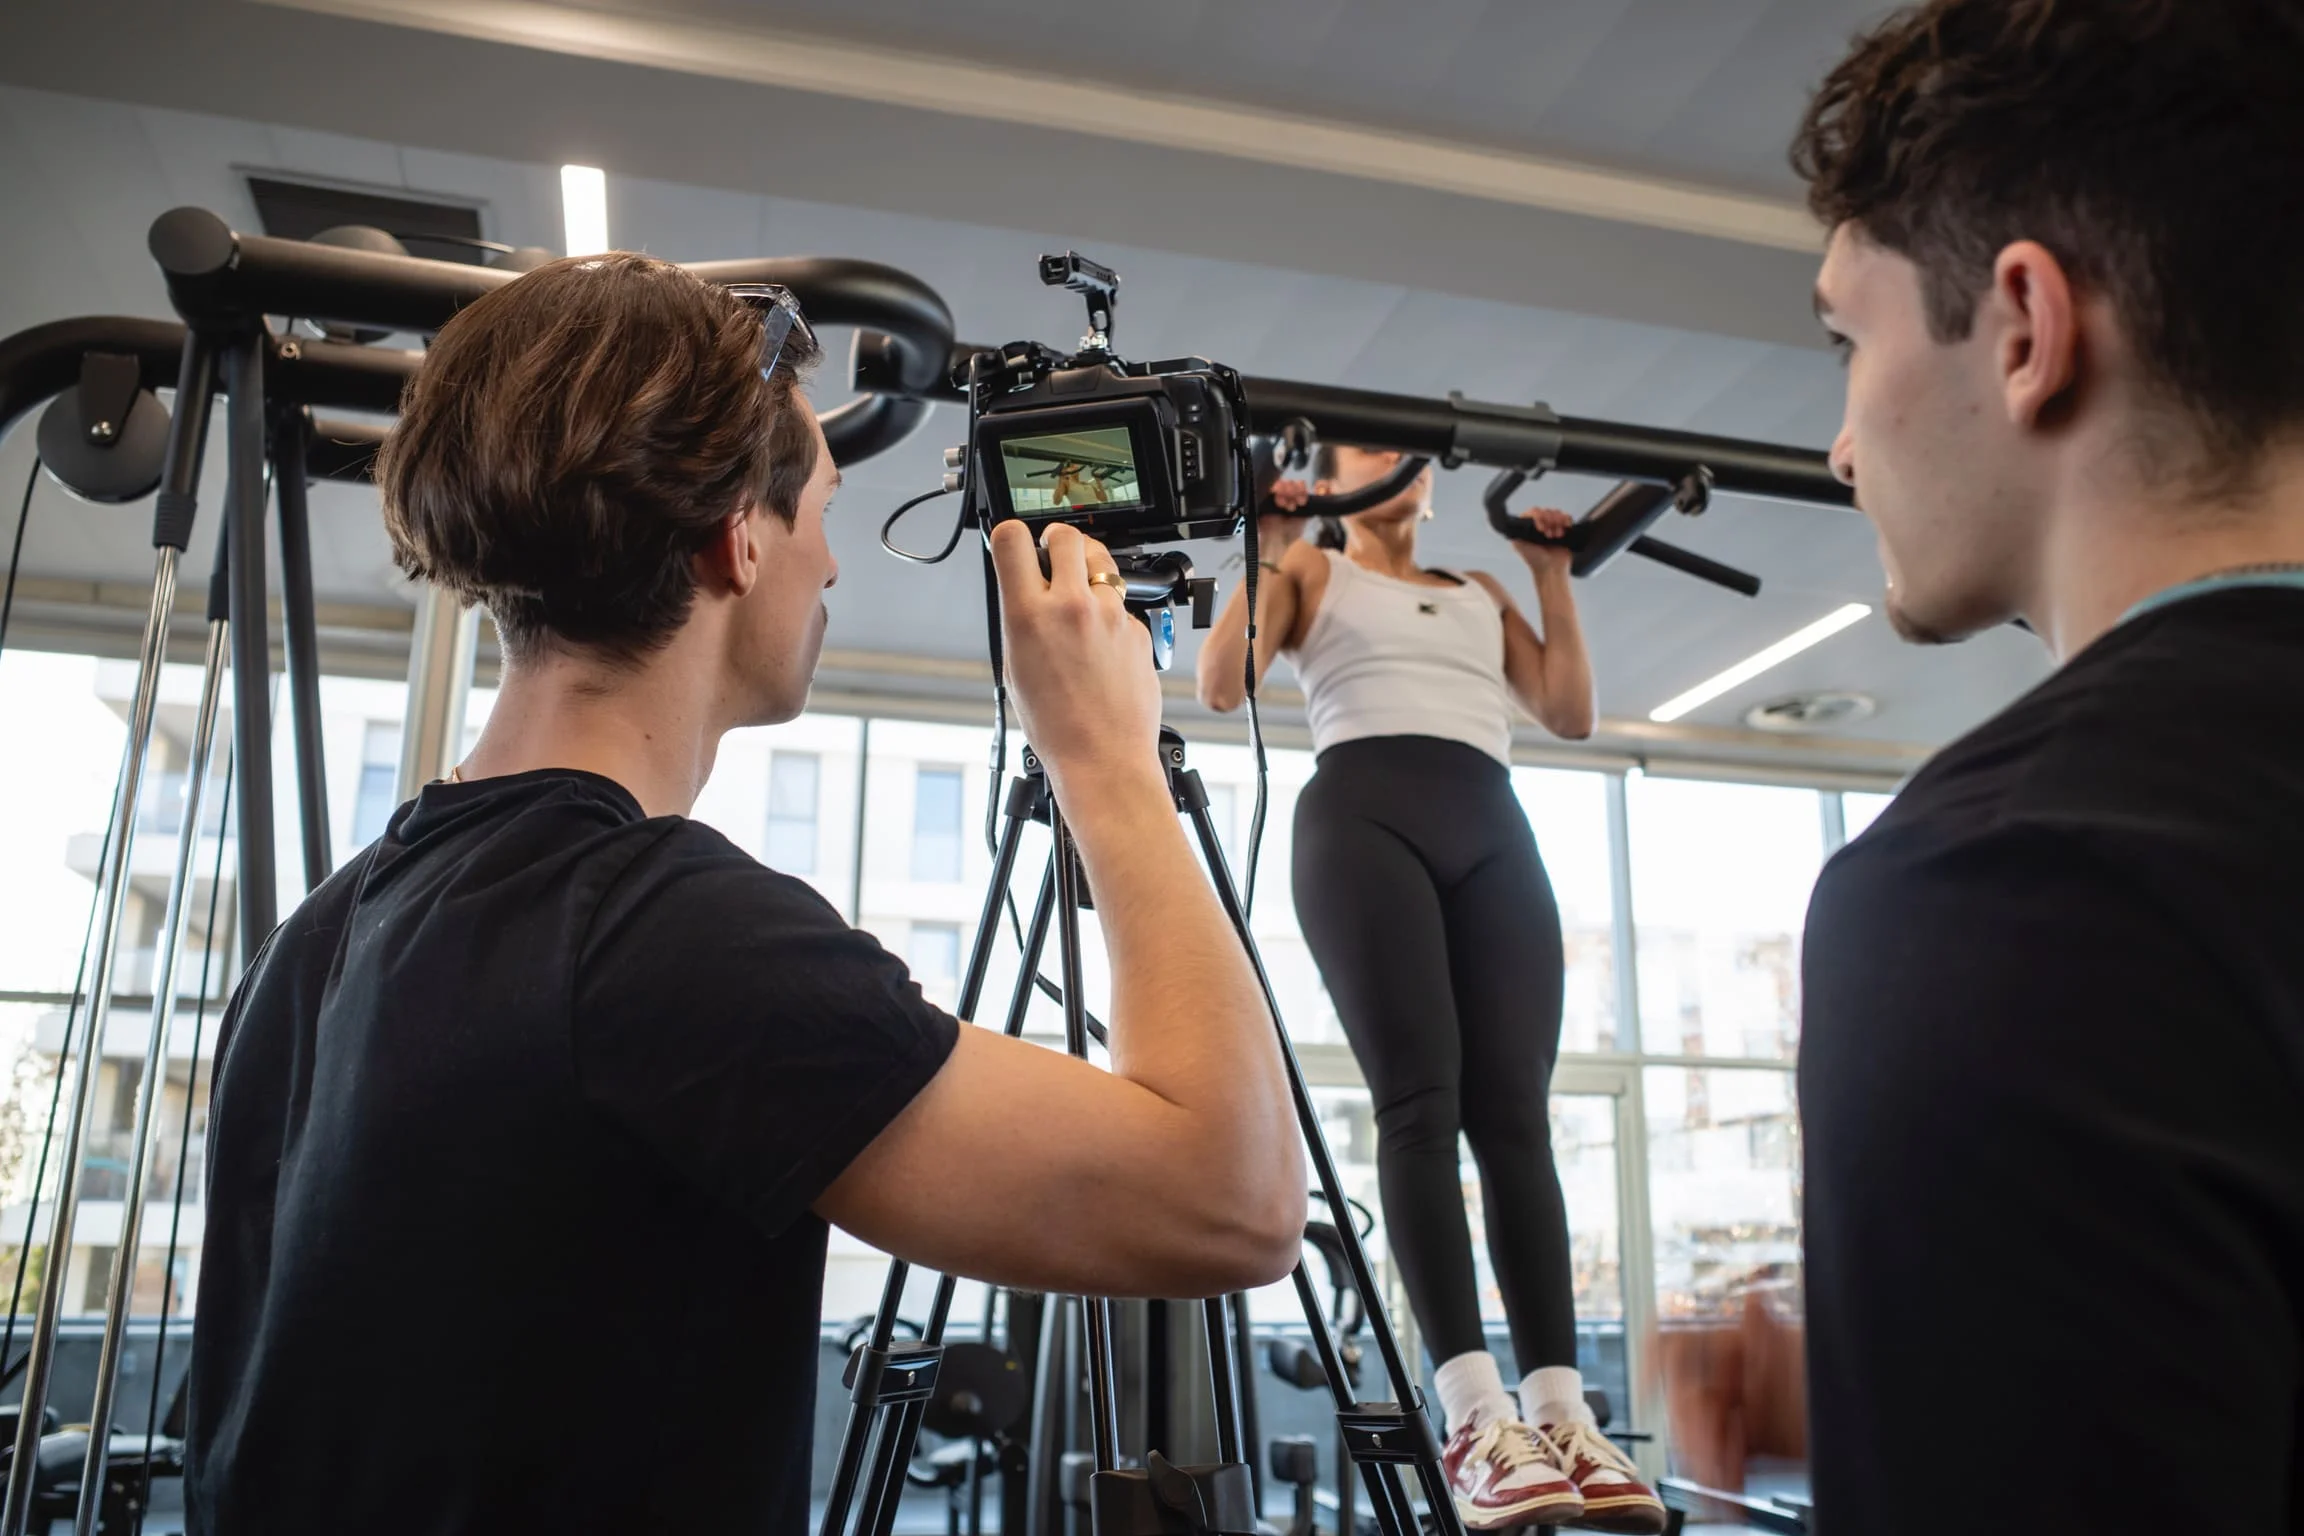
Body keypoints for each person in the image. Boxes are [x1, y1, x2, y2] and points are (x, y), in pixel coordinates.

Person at [184, 254, 1306, 1534]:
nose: (829, 567)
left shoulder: (318, 936)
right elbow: (1234, 1202)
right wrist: (1107, 762)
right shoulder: (663, 932)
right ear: (739, 537)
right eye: (821, 510)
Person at [1666, 2, 2304, 1531]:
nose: (1840, 444)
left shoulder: (2011, 881)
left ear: (2024, 327)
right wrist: (1930, 1369)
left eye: (1849, 341)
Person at [1198, 451, 1666, 1533]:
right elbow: (1223, 684)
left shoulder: (1482, 590)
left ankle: (1561, 1415)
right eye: (1365, 450)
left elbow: (1569, 712)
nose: (1391, 463)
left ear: (1432, 481)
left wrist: (1549, 576)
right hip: (1363, 817)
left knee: (1517, 1117)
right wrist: (1268, 549)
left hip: (1492, 820)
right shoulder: (1313, 570)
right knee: (1422, 1104)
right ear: (1330, 478)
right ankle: (1473, 1417)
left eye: (1404, 454)